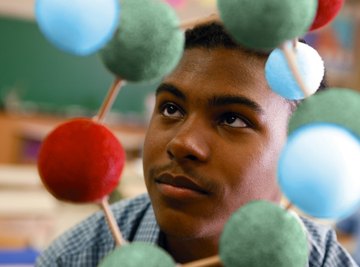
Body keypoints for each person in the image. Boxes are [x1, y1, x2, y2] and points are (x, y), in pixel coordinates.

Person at [35, 21, 358, 266]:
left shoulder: (324, 260)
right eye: (171, 109)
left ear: (299, 150)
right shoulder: (80, 255)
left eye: (233, 119)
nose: (182, 143)